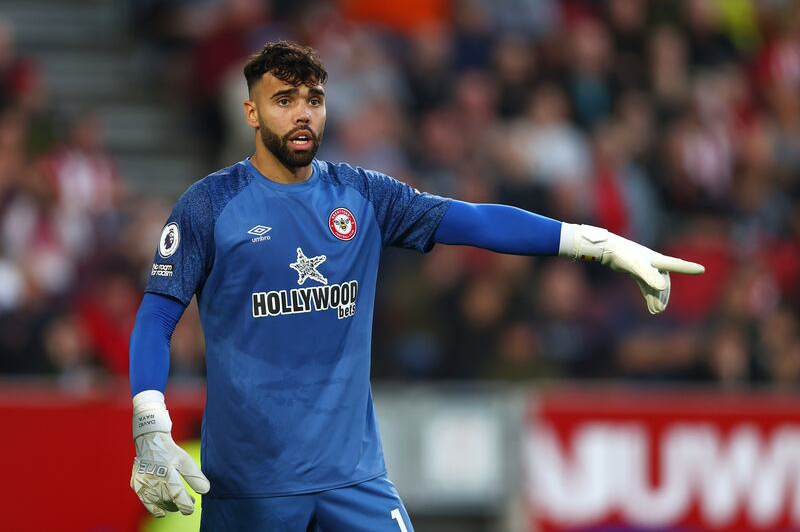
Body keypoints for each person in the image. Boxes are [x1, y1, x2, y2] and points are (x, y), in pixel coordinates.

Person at [128, 40, 704, 531]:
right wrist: (150, 421)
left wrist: (597, 242)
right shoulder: (210, 204)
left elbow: (474, 221)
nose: (303, 114)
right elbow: (157, 315)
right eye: (285, 101)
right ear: (252, 113)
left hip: (353, 480)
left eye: (314, 100)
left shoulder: (364, 195)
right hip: (250, 487)